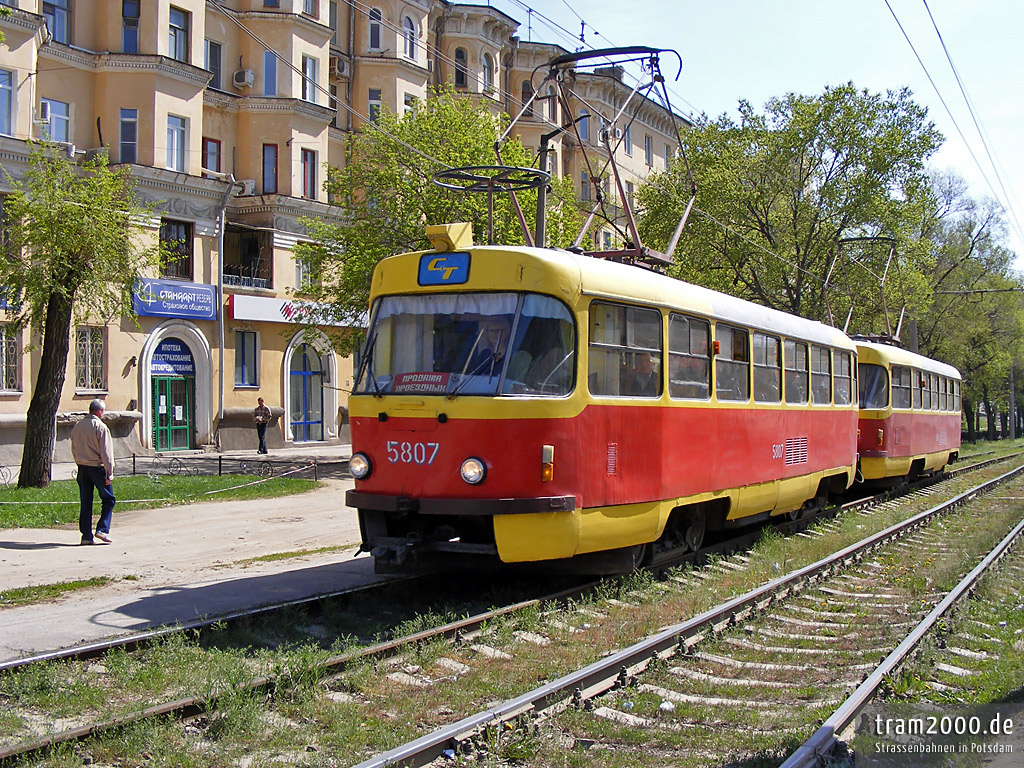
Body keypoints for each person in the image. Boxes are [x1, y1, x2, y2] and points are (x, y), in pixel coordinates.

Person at [70, 398, 115, 545]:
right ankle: (102, 529)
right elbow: (106, 453)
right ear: (100, 411)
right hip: (97, 468)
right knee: (109, 499)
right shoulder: (100, 427)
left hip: (82, 468)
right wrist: (109, 473)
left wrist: (79, 462)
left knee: (86, 502)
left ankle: (86, 536)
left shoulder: (78, 426)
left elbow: (74, 448)